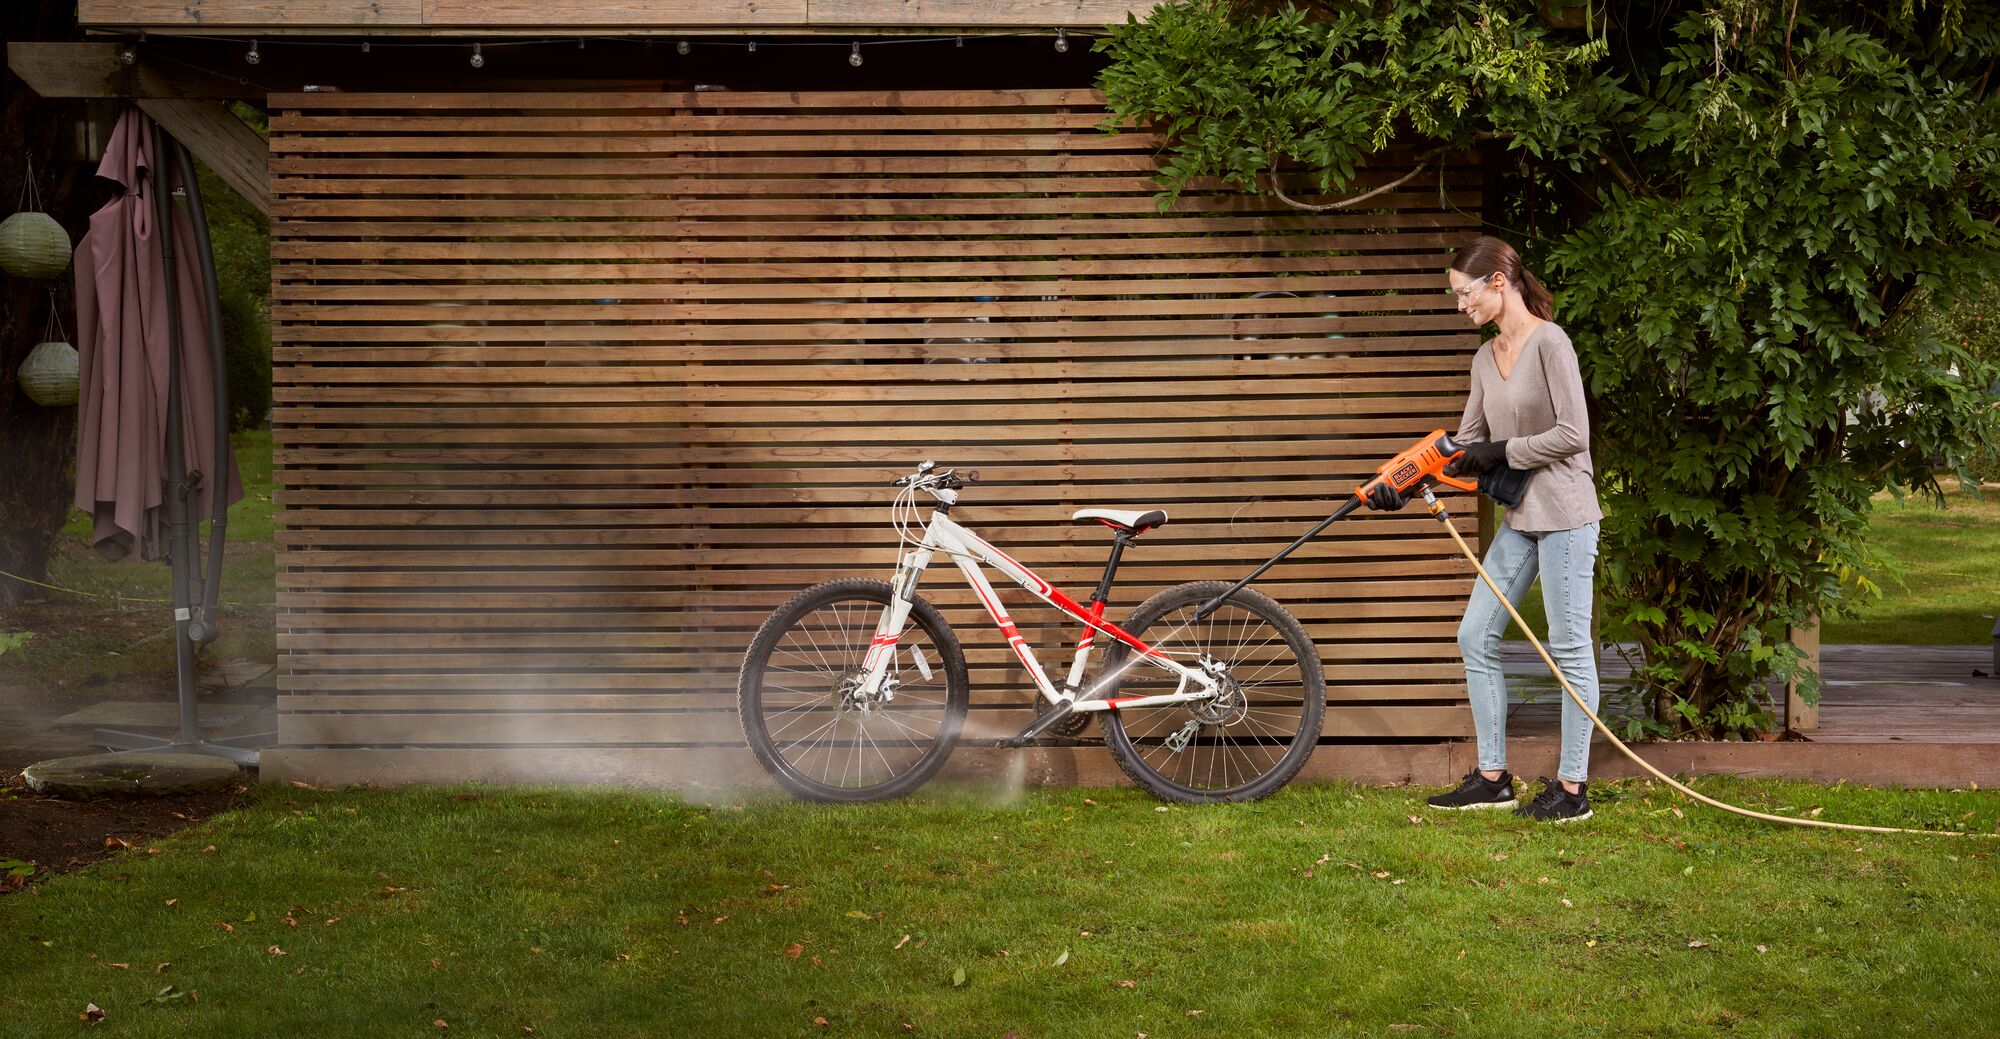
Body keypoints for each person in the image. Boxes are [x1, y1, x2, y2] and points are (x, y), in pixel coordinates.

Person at [1363, 235, 1605, 823]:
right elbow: (1465, 446)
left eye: (1464, 292)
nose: (1460, 304)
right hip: (1521, 517)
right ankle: (1494, 779)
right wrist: (1402, 480)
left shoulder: (1551, 342)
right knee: (1475, 635)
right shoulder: (1484, 358)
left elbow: (1574, 434)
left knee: (1569, 649)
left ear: (1498, 282)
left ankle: (1572, 790)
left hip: (1567, 514)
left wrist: (1503, 450)